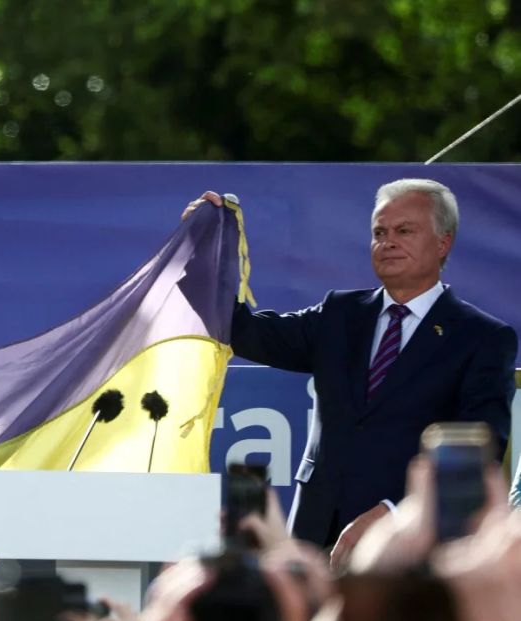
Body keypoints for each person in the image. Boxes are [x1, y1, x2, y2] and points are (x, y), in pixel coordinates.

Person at [185, 179, 517, 562]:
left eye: (404, 231)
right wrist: (205, 251)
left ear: (444, 242)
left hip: (410, 549)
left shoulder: (482, 338)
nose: (387, 241)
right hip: (316, 539)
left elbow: (478, 455)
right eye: (379, 232)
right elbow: (245, 333)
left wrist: (395, 512)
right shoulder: (340, 314)